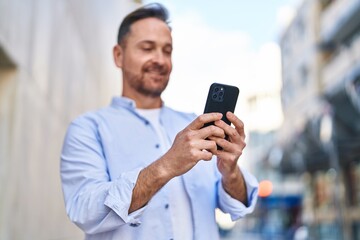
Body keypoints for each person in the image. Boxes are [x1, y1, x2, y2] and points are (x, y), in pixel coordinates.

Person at [60, 3, 258, 240]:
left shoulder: (194, 125)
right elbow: (84, 211)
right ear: (118, 55)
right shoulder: (88, 129)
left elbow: (234, 206)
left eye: (167, 50)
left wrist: (230, 172)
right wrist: (167, 165)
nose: (160, 60)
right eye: (147, 48)